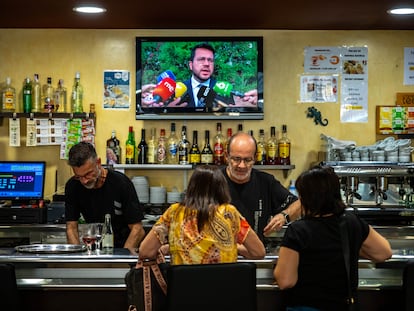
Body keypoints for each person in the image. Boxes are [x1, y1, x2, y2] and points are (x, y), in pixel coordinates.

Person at [274, 166, 392, 311]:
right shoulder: (350, 222)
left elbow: (285, 281)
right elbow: (384, 253)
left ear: (308, 198)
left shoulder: (298, 230)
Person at [138, 165, 266, 264]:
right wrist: (234, 247)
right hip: (224, 293)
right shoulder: (229, 213)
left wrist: (173, 246)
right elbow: (258, 252)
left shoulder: (174, 212)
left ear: (192, 187)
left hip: (183, 294)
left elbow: (145, 251)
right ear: (221, 187)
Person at [65, 142, 146, 250]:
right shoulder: (73, 186)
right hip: (94, 249)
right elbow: (71, 228)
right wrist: (76, 257)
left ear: (98, 163)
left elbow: (138, 229)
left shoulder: (121, 183)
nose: (84, 181)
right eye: (78, 176)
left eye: (88, 174)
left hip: (123, 247)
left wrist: (122, 259)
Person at [222, 132, 302, 241]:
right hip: (219, 255)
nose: (242, 165)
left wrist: (284, 216)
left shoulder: (266, 182)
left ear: (255, 158)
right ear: (226, 156)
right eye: (236, 159)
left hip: (254, 254)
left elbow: (299, 204)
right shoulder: (211, 181)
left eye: (247, 160)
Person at [181, 42, 217, 108]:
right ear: (191, 65)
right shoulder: (179, 90)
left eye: (210, 60)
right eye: (201, 59)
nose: (207, 64)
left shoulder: (222, 91)